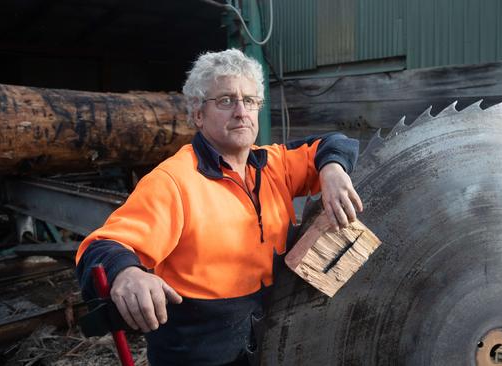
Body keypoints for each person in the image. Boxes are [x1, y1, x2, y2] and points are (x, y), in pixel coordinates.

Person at [75, 48, 363, 365]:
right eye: (226, 101)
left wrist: (333, 169)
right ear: (198, 114)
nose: (241, 111)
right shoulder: (174, 181)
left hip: (270, 339)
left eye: (250, 100)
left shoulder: (271, 163)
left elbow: (331, 143)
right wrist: (127, 274)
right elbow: (102, 247)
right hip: (202, 351)